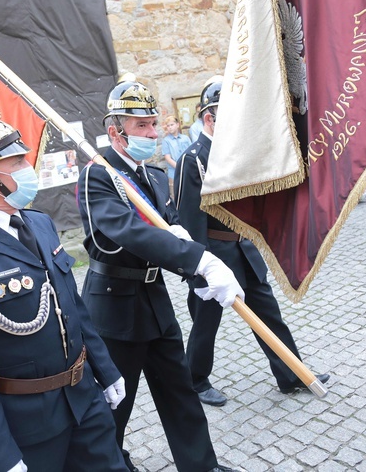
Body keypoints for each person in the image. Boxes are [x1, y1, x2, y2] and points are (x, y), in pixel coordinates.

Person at [0, 110, 128, 472]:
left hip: (85, 401)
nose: (27, 168)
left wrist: (106, 371)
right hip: (28, 426)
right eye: (16, 162)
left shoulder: (40, 223)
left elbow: (73, 309)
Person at [77, 75, 241, 472]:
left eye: (153, 123)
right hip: (114, 306)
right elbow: (129, 232)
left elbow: (168, 224)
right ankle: (111, 462)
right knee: (117, 400)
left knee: (179, 391)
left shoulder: (152, 176)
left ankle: (202, 466)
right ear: (117, 133)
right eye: (141, 126)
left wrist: (191, 259)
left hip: (154, 301)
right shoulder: (98, 175)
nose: (152, 133)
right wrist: (197, 259)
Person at [174, 78, 330, 406]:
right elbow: (188, 221)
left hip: (243, 250)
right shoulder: (194, 159)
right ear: (209, 119)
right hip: (213, 254)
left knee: (269, 314)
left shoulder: (236, 154)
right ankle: (196, 381)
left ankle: (291, 374)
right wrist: (195, 270)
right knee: (206, 323)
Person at [161, 115, 191, 195]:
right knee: (176, 194)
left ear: (177, 125)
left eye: (172, 125)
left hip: (188, 170)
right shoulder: (166, 141)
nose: (170, 127)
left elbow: (191, 153)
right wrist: (179, 167)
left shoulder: (185, 138)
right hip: (174, 173)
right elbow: (168, 158)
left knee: (189, 192)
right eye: (168, 126)